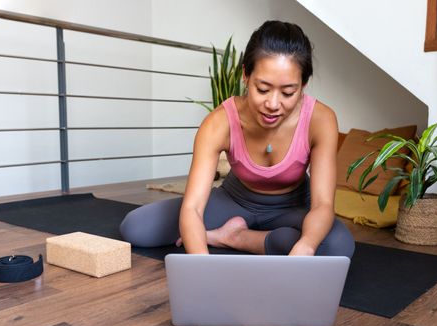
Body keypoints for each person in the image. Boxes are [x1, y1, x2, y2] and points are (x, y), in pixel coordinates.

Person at [120, 20, 355, 258]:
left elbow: (323, 205)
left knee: (336, 247)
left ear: (303, 84)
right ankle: (266, 239)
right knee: (137, 228)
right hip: (235, 201)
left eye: (288, 92)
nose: (273, 104)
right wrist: (201, 265)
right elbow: (192, 207)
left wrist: (306, 245)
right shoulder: (219, 122)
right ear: (246, 75)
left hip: (294, 207)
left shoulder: (321, 119)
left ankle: (236, 237)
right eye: (262, 89)